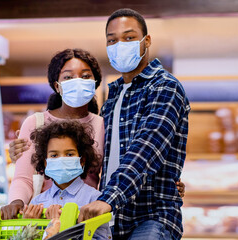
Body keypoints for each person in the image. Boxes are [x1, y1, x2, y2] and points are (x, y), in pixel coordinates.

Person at [77, 8, 190, 240]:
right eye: (112, 40)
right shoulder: (113, 96)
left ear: (146, 41)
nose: (120, 45)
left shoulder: (165, 87)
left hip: (151, 217)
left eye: (129, 38)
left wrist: (108, 198)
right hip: (112, 220)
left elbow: (147, 149)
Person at [1, 48, 105, 220]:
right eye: (68, 77)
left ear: (95, 82)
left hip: (86, 219)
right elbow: (23, 177)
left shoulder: (103, 125)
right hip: (43, 215)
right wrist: (16, 202)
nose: (77, 81)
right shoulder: (35, 123)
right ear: (57, 85)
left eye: (85, 76)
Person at [20, 120, 111, 240]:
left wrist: (60, 228)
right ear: (45, 162)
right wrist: (28, 228)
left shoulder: (95, 200)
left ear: (82, 160)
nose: (62, 159)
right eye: (54, 155)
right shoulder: (37, 203)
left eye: (69, 154)